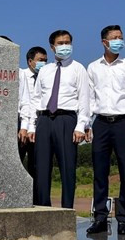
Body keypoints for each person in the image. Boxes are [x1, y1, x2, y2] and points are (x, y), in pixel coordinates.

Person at [85, 25, 125, 236]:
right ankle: (100, 217)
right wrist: (86, 124)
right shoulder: (93, 67)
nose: (119, 40)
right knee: (100, 171)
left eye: (121, 37)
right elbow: (89, 98)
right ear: (104, 42)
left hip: (124, 122)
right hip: (100, 122)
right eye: (115, 37)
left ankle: (124, 219)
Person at [27, 29, 90, 209]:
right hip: (44, 120)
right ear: (52, 47)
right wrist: (31, 126)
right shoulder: (45, 71)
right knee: (41, 168)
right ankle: (43, 209)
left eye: (67, 43)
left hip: (66, 119)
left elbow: (84, 99)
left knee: (67, 167)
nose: (65, 46)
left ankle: (66, 210)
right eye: (60, 43)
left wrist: (81, 126)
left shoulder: (78, 69)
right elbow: (36, 99)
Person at [18, 46, 47, 203]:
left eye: (45, 60)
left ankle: (36, 200)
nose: (44, 63)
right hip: (22, 124)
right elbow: (24, 101)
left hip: (39, 123)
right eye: (40, 60)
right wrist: (25, 125)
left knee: (37, 165)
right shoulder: (21, 75)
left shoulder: (46, 76)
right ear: (30, 61)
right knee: (18, 162)